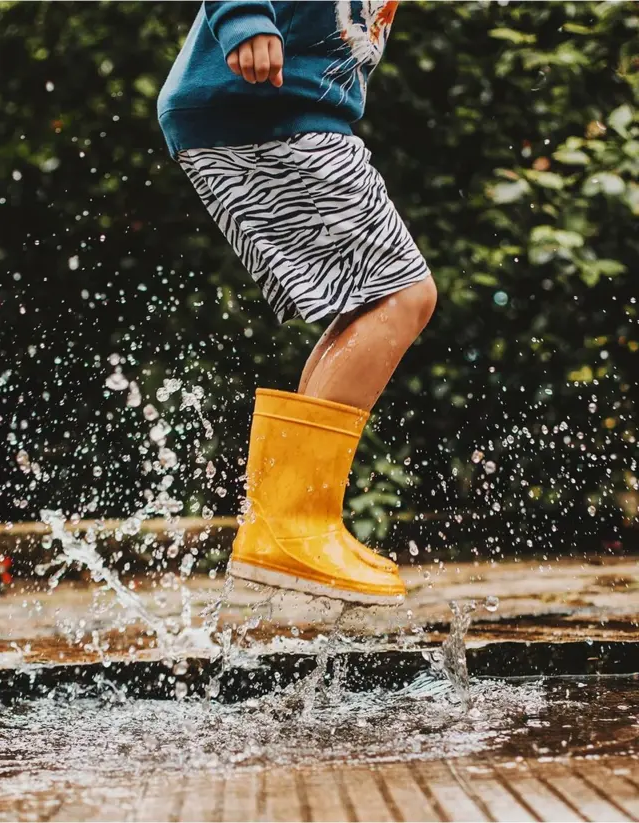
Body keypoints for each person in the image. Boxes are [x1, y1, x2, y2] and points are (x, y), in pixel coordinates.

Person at [158, 1, 437, 606]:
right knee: (402, 296)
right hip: (263, 109)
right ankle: (292, 526)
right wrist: (245, 17)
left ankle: (289, 526)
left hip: (275, 112)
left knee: (373, 304)